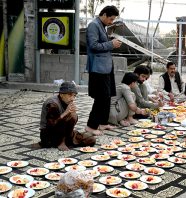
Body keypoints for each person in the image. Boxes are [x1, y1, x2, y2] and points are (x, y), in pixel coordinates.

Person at [85, 5, 122, 135]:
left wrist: (110, 41)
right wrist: (111, 44)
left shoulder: (102, 25)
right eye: (111, 19)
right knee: (101, 97)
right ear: (104, 14)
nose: (111, 22)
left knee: (107, 96)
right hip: (98, 68)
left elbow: (101, 43)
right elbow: (93, 45)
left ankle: (103, 122)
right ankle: (91, 126)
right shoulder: (93, 25)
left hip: (105, 67)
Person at [37, 82, 96, 151]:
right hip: (49, 135)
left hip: (64, 132)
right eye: (70, 95)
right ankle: (60, 142)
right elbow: (51, 125)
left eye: (74, 96)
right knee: (72, 116)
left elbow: (70, 121)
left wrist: (72, 114)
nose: (72, 99)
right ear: (61, 94)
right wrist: (66, 113)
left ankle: (67, 141)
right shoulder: (52, 104)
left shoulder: (66, 101)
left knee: (91, 139)